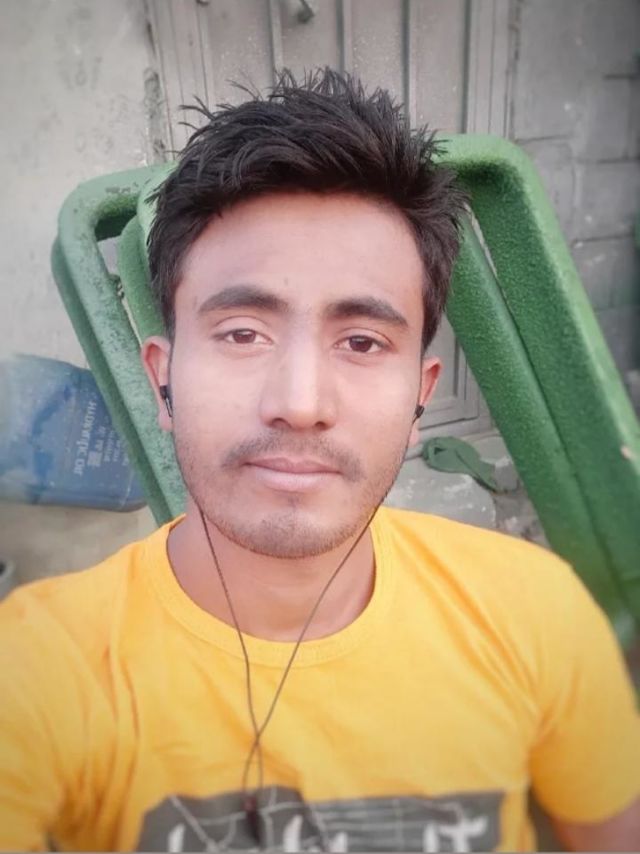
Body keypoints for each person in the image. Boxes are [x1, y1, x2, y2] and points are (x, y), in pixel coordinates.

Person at [1, 69, 639, 853]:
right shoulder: (37, 670)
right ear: (162, 380)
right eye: (243, 333)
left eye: (362, 342)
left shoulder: (536, 612)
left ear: (419, 397)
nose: (300, 402)